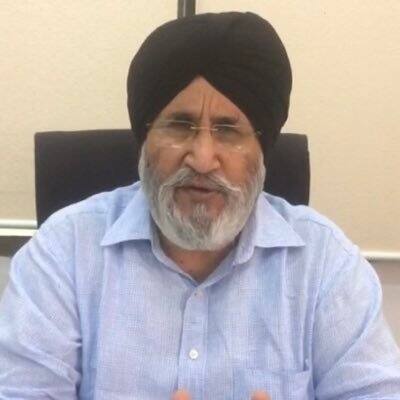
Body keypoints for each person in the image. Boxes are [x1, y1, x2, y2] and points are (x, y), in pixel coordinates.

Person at [0, 11, 399, 400]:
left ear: (262, 151)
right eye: (179, 125)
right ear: (144, 141)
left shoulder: (325, 264)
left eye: (228, 131)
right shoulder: (64, 252)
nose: (203, 159)